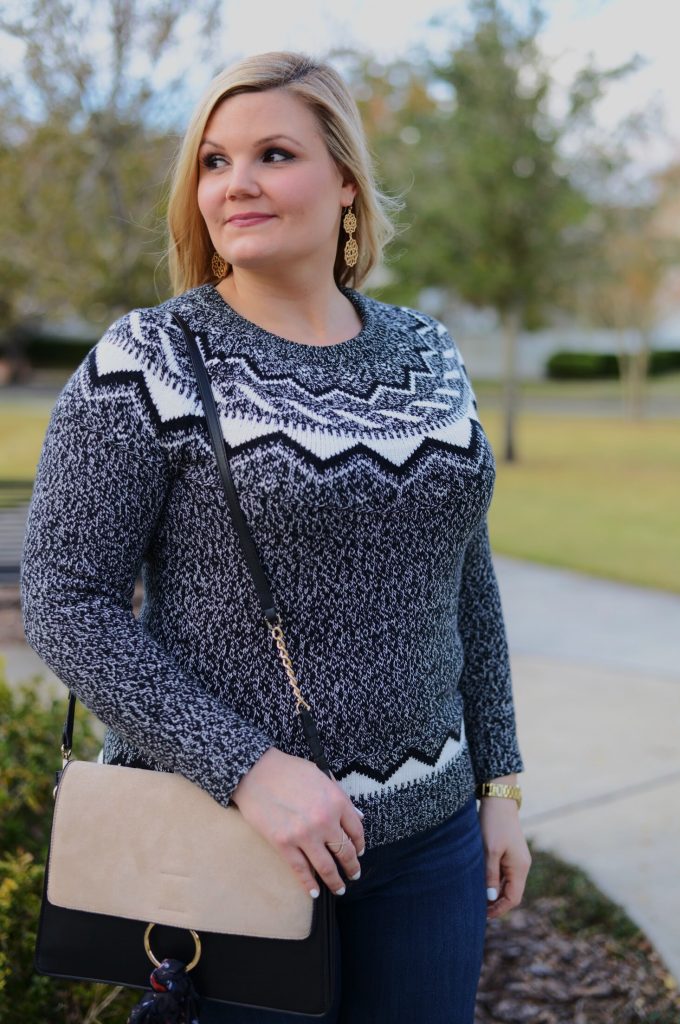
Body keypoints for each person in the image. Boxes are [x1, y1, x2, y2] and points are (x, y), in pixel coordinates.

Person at [21, 50, 531, 1024]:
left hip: (429, 846)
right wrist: (246, 768)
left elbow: (466, 574)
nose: (235, 183)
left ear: (346, 181)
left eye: (273, 153)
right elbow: (65, 599)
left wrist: (499, 780)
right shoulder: (150, 360)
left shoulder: (429, 353)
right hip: (228, 845)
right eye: (213, 161)